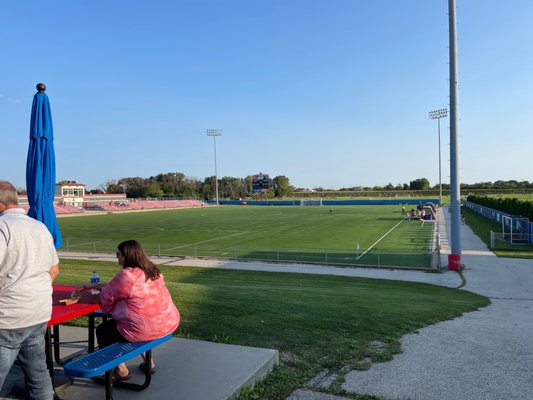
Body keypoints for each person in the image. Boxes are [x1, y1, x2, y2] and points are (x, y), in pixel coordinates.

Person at [76, 240, 179, 380]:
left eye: (117, 254)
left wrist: (82, 299)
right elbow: (116, 286)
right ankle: (149, 363)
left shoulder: (127, 275)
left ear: (127, 256)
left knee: (103, 331)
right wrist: (91, 285)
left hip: (146, 328)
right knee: (140, 321)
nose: (116, 257)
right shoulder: (153, 270)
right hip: (167, 322)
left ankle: (121, 370)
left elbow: (106, 296)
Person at [0, 180, 59, 400]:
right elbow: (54, 270)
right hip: (38, 313)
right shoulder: (39, 226)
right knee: (38, 374)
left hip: (9, 318)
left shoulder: (3, 228)